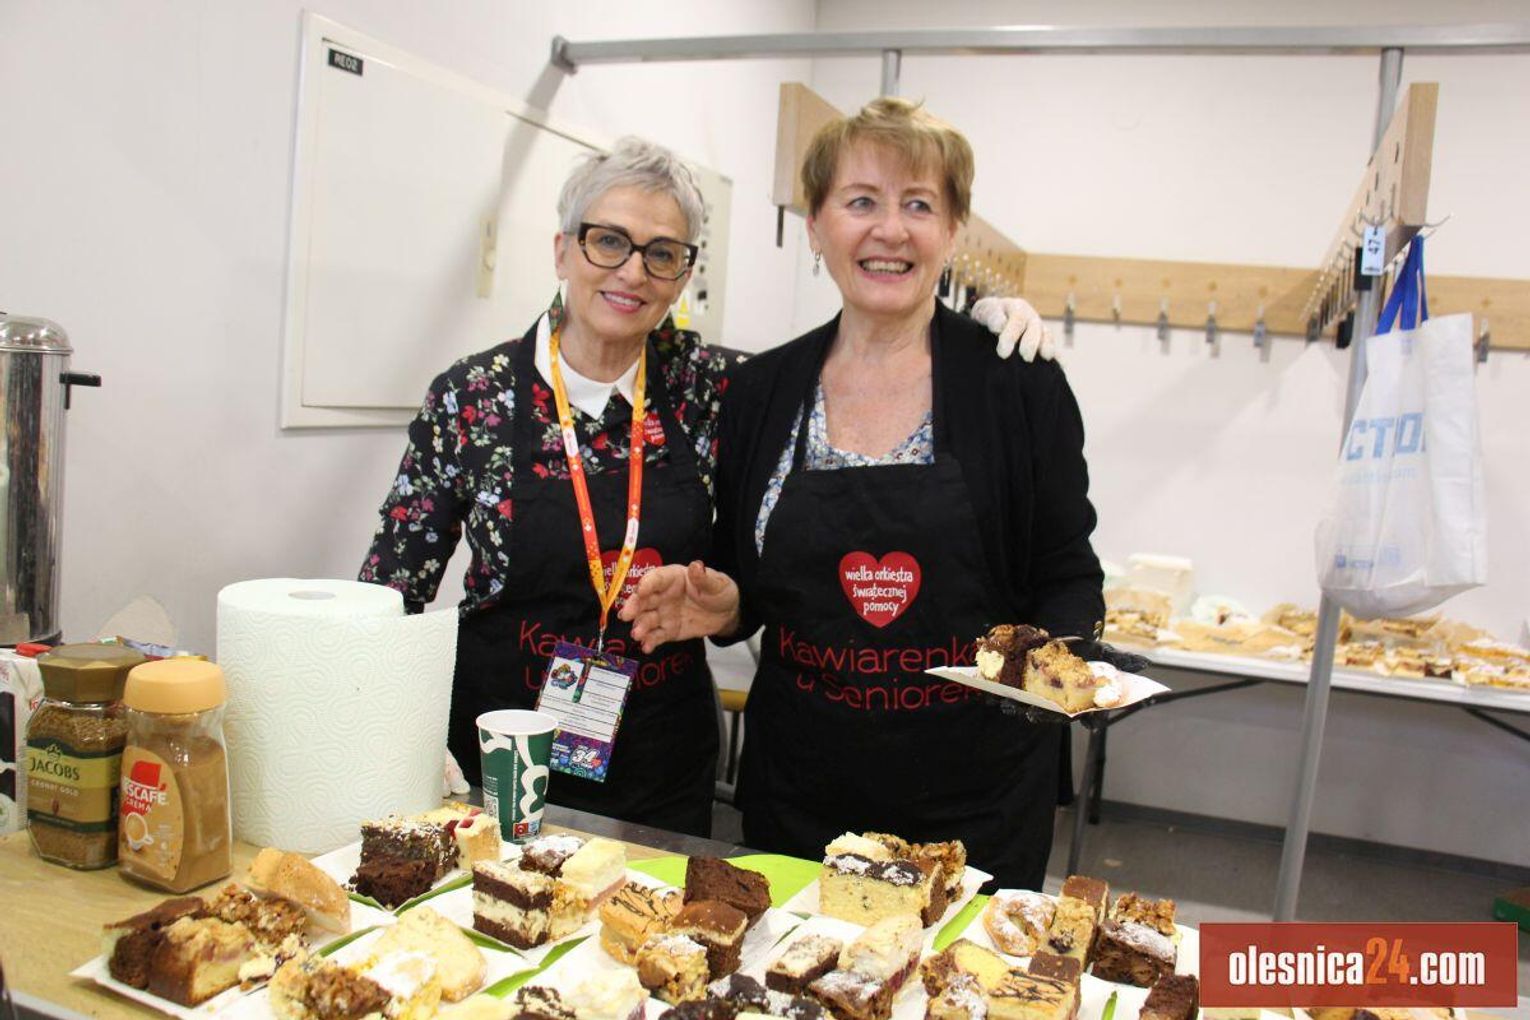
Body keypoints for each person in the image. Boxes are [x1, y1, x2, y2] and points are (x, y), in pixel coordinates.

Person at [621, 99, 1104, 887]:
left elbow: (1069, 572)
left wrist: (1056, 666)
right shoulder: (761, 392)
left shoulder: (1017, 385)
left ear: (953, 230)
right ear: (816, 227)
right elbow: (748, 583)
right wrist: (727, 605)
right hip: (802, 795)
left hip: (977, 801)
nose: (890, 230)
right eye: (861, 202)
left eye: (919, 204)